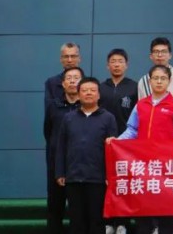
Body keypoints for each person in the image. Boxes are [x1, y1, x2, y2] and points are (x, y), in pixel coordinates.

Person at [116, 64, 173, 234]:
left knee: (166, 213)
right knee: (143, 213)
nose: (159, 81)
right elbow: (132, 130)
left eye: (163, 78)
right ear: (149, 81)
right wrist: (116, 141)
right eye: (155, 78)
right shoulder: (141, 105)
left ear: (169, 81)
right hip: (143, 167)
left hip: (166, 167)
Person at [54, 77, 117, 234]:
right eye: (84, 90)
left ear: (99, 95)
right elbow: (61, 146)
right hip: (73, 177)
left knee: (96, 220)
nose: (88, 93)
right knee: (76, 221)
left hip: (98, 179)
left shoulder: (108, 118)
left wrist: (110, 175)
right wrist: (60, 172)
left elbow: (113, 150)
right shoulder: (69, 118)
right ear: (78, 94)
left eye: (92, 90)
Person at [98, 49, 136, 234]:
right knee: (105, 182)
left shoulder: (134, 87)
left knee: (124, 183)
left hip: (126, 144)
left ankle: (122, 222)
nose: (116, 64)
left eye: (120, 61)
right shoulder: (100, 88)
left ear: (126, 65)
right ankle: (108, 221)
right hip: (103, 142)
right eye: (113, 61)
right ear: (107, 65)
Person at [44, 66, 83, 234]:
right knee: (55, 207)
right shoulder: (54, 106)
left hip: (80, 166)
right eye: (69, 78)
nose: (73, 81)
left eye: (76, 78)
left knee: (79, 210)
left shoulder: (88, 106)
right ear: (63, 83)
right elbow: (48, 131)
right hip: (56, 164)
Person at [137, 37, 173, 115]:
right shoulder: (144, 81)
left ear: (170, 55)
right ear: (151, 56)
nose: (160, 55)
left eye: (163, 52)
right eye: (156, 52)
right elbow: (141, 110)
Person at [45, 42, 82, 111]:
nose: (69, 60)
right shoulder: (52, 83)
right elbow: (49, 111)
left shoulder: (87, 83)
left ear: (79, 59)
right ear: (61, 59)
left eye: (73, 56)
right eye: (66, 56)